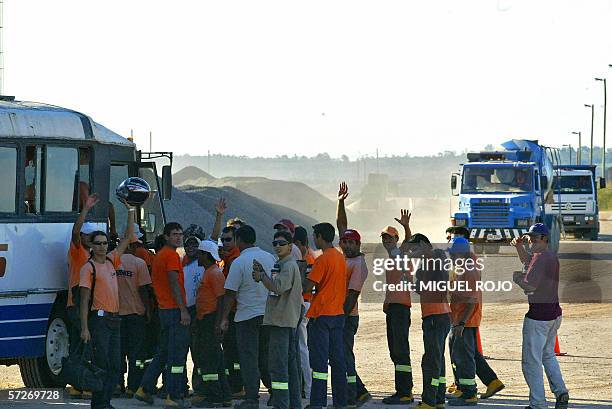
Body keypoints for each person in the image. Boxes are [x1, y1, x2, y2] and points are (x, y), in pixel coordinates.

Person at [79, 208, 134, 409]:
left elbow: (128, 237)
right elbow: (84, 300)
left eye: (105, 243)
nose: (102, 247)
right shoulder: (89, 268)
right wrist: (85, 328)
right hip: (99, 320)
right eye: (98, 244)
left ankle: (106, 401)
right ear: (91, 247)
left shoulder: (112, 261)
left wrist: (129, 210)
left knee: (115, 364)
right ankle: (99, 403)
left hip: (114, 319)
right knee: (101, 364)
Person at [511, 223, 569, 409]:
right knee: (547, 356)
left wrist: (518, 278)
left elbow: (530, 286)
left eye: (534, 238)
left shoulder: (541, 258)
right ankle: (561, 392)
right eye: (529, 238)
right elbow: (528, 260)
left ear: (544, 238)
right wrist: (519, 247)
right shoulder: (548, 256)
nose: (531, 241)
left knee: (531, 362)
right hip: (553, 314)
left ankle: (538, 404)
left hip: (538, 318)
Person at [219, 225, 276, 409]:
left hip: (246, 317)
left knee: (248, 358)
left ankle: (252, 398)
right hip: (268, 315)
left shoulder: (239, 262)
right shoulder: (269, 257)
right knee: (266, 356)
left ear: (239, 240)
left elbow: (230, 293)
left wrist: (224, 318)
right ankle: (275, 393)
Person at [136, 222, 191, 408]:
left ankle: (144, 388)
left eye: (180, 234)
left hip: (164, 310)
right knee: (176, 356)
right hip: (174, 310)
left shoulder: (160, 255)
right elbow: (174, 283)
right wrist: (183, 310)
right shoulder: (171, 256)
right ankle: (173, 395)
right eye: (174, 234)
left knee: (163, 352)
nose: (179, 237)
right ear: (166, 236)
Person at [446, 236, 505, 402]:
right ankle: (491, 382)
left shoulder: (468, 270)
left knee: (463, 357)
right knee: (469, 354)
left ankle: (467, 393)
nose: (450, 256)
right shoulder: (464, 266)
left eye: (453, 253)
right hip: (463, 318)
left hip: (464, 320)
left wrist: (461, 323)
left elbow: (471, 301)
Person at [253, 230, 303, 409]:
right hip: (283, 320)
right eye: (275, 243)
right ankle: (293, 404)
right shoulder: (281, 264)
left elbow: (278, 288)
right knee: (289, 366)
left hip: (281, 322)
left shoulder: (288, 265)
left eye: (282, 243)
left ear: (290, 246)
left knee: (278, 367)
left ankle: (282, 404)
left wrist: (262, 277)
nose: (278, 246)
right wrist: (263, 275)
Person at [303, 222, 347, 409]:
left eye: (315, 236)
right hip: (337, 314)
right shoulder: (339, 257)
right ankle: (340, 402)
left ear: (320, 236)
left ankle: (317, 403)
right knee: (338, 362)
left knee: (319, 364)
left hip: (321, 316)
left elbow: (307, 286)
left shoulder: (322, 260)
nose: (314, 239)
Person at [405, 231, 450, 409]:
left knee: (431, 360)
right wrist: (410, 284)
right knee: (437, 358)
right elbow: (423, 288)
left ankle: (429, 401)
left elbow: (439, 282)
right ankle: (438, 399)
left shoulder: (436, 256)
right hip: (434, 315)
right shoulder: (425, 262)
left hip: (436, 316)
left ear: (424, 245)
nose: (412, 252)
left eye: (415, 248)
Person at [336, 181, 371, 407]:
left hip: (347, 317)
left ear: (358, 244)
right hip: (339, 314)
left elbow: (352, 296)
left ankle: (355, 393)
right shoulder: (344, 258)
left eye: (351, 242)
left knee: (345, 355)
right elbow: (341, 225)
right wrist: (340, 203)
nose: (347, 245)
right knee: (340, 355)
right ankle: (358, 391)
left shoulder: (358, 264)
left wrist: (340, 316)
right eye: (345, 242)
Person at [66, 192, 99, 399]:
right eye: (88, 235)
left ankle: (78, 384)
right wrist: (85, 209)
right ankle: (84, 384)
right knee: (87, 346)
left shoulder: (90, 255)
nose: (90, 238)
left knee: (79, 347)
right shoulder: (78, 251)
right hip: (77, 307)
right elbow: (75, 231)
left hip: (83, 306)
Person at [194, 240, 232, 408]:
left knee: (209, 361)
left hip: (211, 320)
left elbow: (221, 299)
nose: (197, 256)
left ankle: (214, 397)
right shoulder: (209, 271)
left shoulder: (214, 273)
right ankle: (225, 396)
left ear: (205, 255)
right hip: (206, 320)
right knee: (216, 359)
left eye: (199, 253)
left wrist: (219, 323)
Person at [381, 217, 414, 404]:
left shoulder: (400, 254)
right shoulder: (393, 256)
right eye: (384, 238)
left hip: (400, 308)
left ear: (396, 239)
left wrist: (407, 227)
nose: (387, 241)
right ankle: (402, 390)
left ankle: (404, 392)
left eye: (390, 238)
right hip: (394, 308)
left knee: (400, 350)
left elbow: (408, 244)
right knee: (395, 350)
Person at [116, 228, 153, 397]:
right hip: (136, 314)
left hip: (116, 315)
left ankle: (117, 385)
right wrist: (149, 311)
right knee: (136, 355)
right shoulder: (139, 263)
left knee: (118, 351)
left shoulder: (112, 261)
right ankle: (133, 386)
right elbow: (144, 289)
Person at [293, 225, 316, 400]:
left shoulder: (307, 259)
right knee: (301, 347)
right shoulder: (307, 256)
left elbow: (309, 287)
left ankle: (307, 389)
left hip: (304, 304)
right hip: (304, 304)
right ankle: (305, 386)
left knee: (302, 348)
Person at [183, 235, 206, 400]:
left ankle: (200, 386)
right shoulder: (180, 265)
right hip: (184, 311)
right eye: (188, 244)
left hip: (200, 313)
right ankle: (182, 386)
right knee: (182, 351)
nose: (191, 247)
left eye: (194, 244)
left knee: (198, 352)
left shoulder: (205, 266)